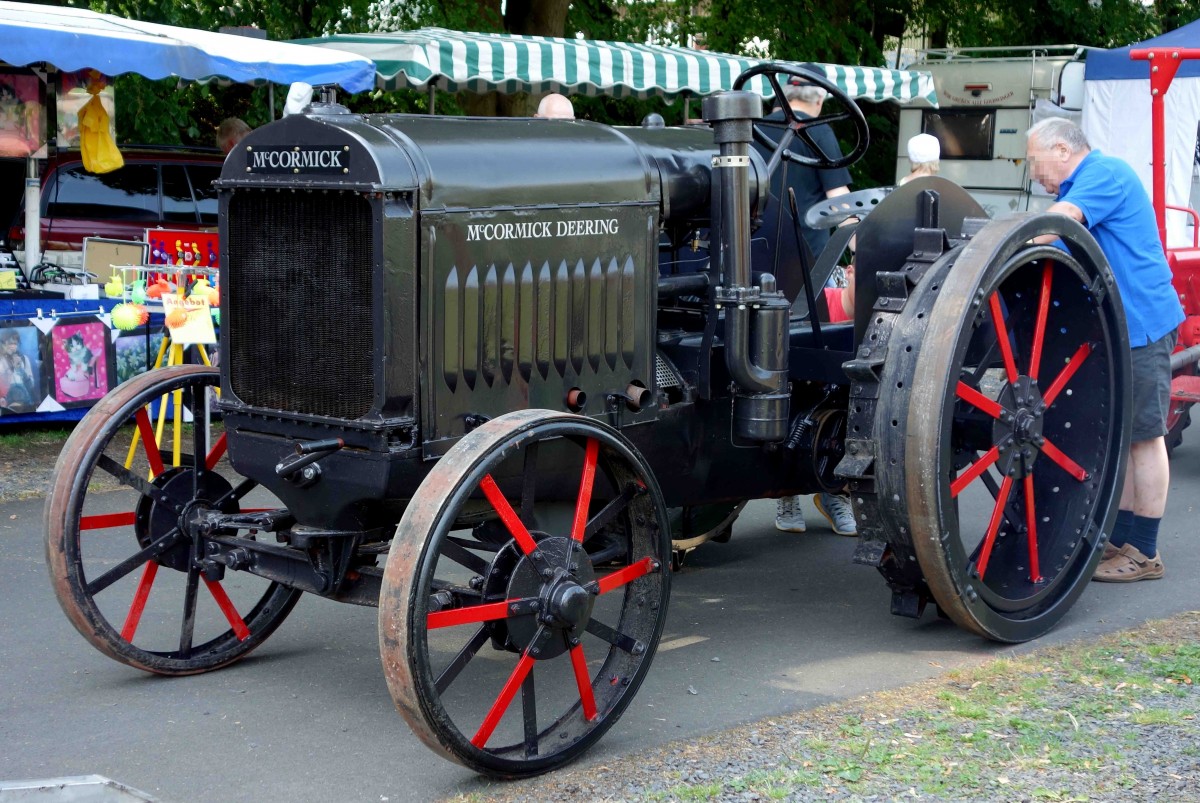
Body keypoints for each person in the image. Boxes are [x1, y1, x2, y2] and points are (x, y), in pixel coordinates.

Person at [1025, 117, 1184, 582]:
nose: (1033, 174)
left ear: (1061, 149)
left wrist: (993, 246)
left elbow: (1059, 224)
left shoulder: (1102, 174)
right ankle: (1121, 540)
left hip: (1142, 325)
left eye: (1034, 161)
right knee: (1127, 437)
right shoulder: (1081, 185)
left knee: (1145, 438)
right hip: (1120, 328)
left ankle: (1145, 553)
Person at [754, 78, 852, 262]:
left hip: (756, 246)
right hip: (805, 254)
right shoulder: (820, 131)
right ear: (819, 100)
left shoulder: (754, 128)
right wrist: (859, 247)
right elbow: (838, 197)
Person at [0, 329, 36, 411]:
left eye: (15, 343)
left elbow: (31, 386)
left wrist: (20, 370)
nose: (12, 346)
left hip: (25, 403)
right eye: (9, 343)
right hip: (6, 405)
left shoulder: (24, 359)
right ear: (3, 344)